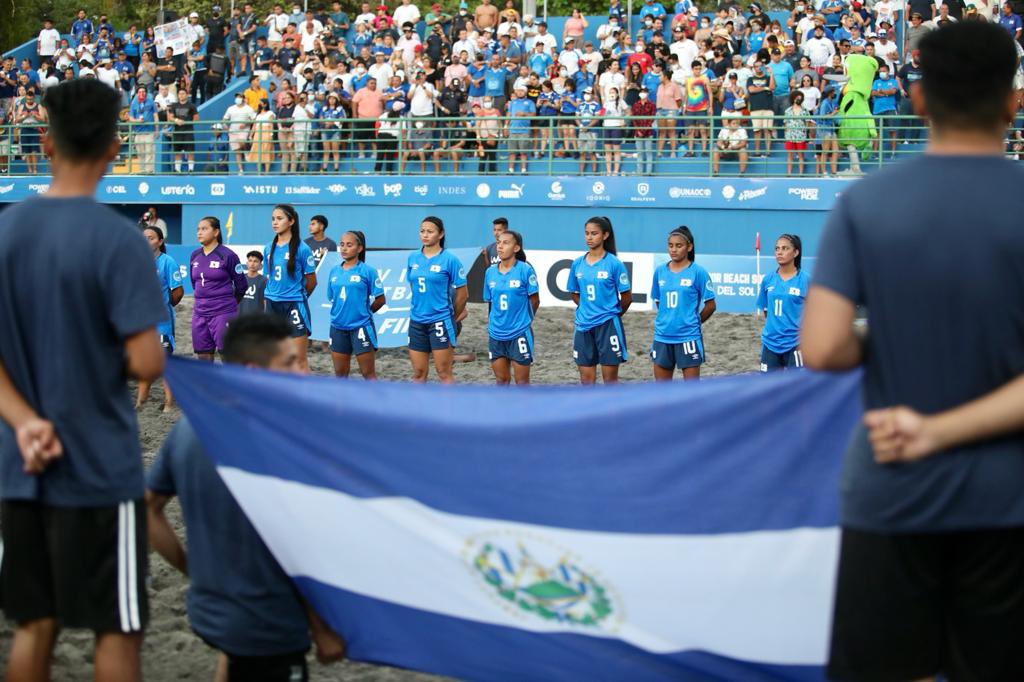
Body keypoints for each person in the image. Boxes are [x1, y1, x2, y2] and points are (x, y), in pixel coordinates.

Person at [799, 22, 1024, 682]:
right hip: (1010, 501)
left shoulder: (867, 203)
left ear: (919, 101)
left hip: (894, 490)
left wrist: (891, 335)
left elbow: (823, 347)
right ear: (1014, 101)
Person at [0, 78, 165, 682]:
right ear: (114, 147)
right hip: (97, 464)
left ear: (44, 142)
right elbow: (147, 363)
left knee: (34, 624)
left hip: (22, 464)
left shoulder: (7, 230)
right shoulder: (118, 240)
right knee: (117, 626)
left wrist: (26, 423)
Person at [146, 313, 346, 682]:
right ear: (254, 371)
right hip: (267, 622)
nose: (303, 373)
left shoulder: (189, 429)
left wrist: (193, 569)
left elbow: (148, 508)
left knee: (233, 661)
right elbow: (292, 549)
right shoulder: (275, 446)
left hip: (212, 610)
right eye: (291, 363)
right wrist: (322, 628)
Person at [568, 216, 632, 385]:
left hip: (608, 325)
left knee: (610, 381)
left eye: (594, 233)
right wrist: (587, 307)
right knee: (586, 381)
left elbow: (626, 298)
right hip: (583, 326)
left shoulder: (614, 263)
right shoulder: (577, 264)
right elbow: (574, 293)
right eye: (587, 233)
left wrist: (611, 313)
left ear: (605, 235)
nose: (589, 237)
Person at [407, 216, 468, 384]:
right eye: (422, 231)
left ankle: (448, 409)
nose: (425, 235)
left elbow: (463, 294)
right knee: (418, 373)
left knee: (443, 373)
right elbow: (414, 287)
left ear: (440, 234)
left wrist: (451, 317)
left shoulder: (450, 259)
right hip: (416, 322)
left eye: (430, 231)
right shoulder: (413, 258)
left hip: (440, 322)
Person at [650, 226, 716, 381]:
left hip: (688, 338)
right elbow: (660, 304)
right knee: (661, 393)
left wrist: (694, 322)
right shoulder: (660, 272)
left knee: (692, 392)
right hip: (662, 337)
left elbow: (711, 305)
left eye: (679, 246)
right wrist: (669, 319)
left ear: (689, 247)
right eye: (670, 245)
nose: (673, 249)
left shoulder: (698, 272)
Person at [264, 204, 318, 373]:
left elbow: (312, 281)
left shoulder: (302, 249)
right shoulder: (268, 248)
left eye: (279, 218)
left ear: (291, 221)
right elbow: (269, 279)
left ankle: (306, 397)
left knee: (299, 359)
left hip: (294, 305)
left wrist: (297, 296)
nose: (275, 222)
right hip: (272, 305)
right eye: (273, 219)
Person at [136, 226, 184, 411]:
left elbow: (178, 292)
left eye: (151, 238)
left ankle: (169, 403)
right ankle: (141, 401)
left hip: (162, 322)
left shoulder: (167, 261)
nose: (146, 241)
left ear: (160, 241)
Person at [326, 231, 386, 379]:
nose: (344, 249)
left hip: (361, 327)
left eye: (349, 245)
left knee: (368, 374)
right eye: (342, 245)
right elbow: (332, 298)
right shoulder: (334, 271)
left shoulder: (368, 271)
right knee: (340, 375)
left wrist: (365, 313)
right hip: (338, 328)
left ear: (359, 248)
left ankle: (374, 402)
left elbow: (380, 299)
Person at [483, 231, 539, 385]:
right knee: (501, 380)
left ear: (516, 248)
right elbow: (490, 303)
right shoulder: (490, 272)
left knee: (522, 383)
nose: (500, 246)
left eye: (505, 243)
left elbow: (535, 300)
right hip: (496, 334)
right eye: (499, 242)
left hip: (519, 333)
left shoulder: (525, 270)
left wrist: (524, 321)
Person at [190, 216, 247, 362]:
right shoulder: (194, 255)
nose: (199, 232)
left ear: (216, 232)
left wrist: (228, 305)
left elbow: (242, 285)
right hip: (200, 313)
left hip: (223, 312)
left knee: (228, 357)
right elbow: (194, 283)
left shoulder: (228, 255)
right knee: (203, 357)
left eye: (204, 229)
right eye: (198, 229)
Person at [756, 233, 808, 371]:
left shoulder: (805, 280)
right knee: (769, 389)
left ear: (796, 252)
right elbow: (766, 311)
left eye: (785, 248)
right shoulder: (768, 279)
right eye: (777, 248)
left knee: (796, 390)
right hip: (770, 343)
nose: (779, 252)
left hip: (796, 343)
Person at [168, 88, 199, 173]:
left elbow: (196, 118)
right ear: (178, 95)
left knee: (190, 151)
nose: (181, 95)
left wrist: (186, 122)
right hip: (177, 132)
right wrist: (176, 120)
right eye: (180, 94)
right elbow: (170, 117)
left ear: (187, 95)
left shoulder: (192, 106)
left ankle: (191, 169)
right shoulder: (174, 105)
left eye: (183, 93)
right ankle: (177, 170)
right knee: (177, 151)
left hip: (188, 131)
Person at [783, 90, 811, 175]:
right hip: (790, 136)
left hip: (800, 136)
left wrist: (805, 133)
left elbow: (807, 123)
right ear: (793, 98)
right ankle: (789, 173)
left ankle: (801, 173)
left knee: (801, 155)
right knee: (790, 156)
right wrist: (786, 134)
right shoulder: (788, 110)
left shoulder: (805, 110)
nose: (799, 99)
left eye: (800, 97)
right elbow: (785, 124)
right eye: (797, 97)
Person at [239, 250, 268, 315]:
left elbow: (265, 302)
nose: (252, 264)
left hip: (256, 320)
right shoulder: (239, 279)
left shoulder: (264, 281)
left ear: (260, 265)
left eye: (255, 261)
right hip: (239, 319)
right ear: (246, 263)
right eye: (250, 260)